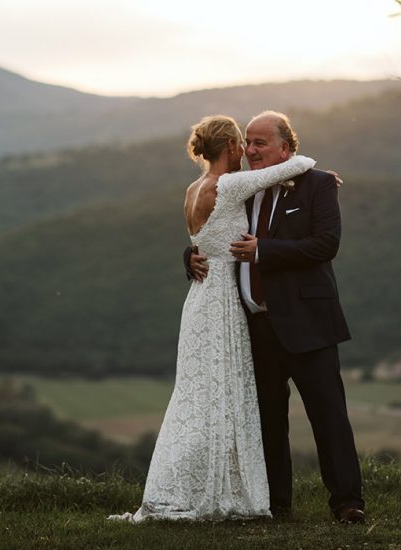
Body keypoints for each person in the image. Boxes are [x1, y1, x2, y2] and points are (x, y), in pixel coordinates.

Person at [108, 115, 315, 522]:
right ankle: (216, 488)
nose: (246, 151)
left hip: (199, 299)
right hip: (221, 301)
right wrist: (320, 173)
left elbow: (201, 240)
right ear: (231, 147)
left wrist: (191, 257)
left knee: (198, 396)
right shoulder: (230, 185)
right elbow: (293, 164)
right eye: (242, 144)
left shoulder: (192, 189)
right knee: (223, 394)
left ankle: (195, 483)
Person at [188, 111, 365, 523]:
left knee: (329, 416)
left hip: (309, 322)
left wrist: (264, 251)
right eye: (247, 143)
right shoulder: (240, 189)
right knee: (266, 420)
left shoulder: (319, 184)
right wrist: (190, 255)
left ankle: (347, 502)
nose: (250, 151)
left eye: (260, 143)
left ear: (286, 148)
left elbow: (326, 244)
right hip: (256, 326)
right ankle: (275, 504)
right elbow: (209, 229)